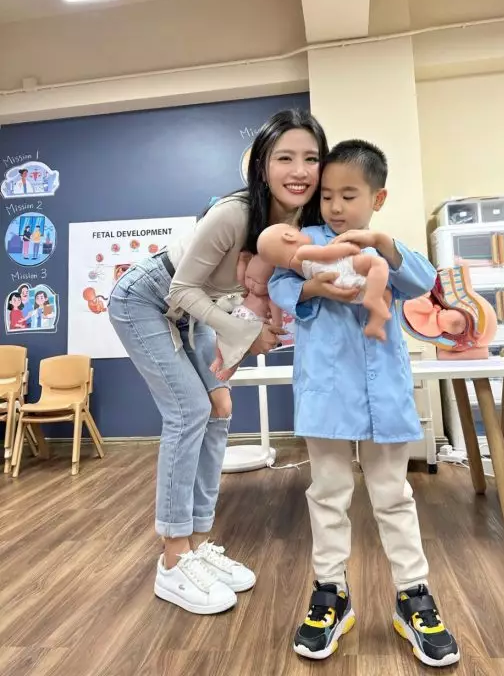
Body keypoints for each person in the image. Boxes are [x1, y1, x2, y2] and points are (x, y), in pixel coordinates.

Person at [108, 108, 341, 616]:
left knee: (219, 410)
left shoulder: (299, 223)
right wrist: (245, 334)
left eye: (311, 158)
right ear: (262, 166)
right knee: (188, 411)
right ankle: (173, 559)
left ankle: (196, 544)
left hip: (195, 313)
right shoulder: (235, 213)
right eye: (285, 158)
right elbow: (181, 289)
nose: (299, 171)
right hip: (146, 299)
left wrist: (253, 333)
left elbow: (253, 295)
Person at [268, 139, 460, 668]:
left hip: (383, 394)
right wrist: (315, 290)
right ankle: (331, 592)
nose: (334, 206)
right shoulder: (305, 241)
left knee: (393, 495)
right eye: (327, 195)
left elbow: (424, 282)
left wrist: (383, 243)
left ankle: (413, 595)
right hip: (327, 394)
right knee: (328, 493)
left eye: (348, 195)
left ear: (378, 198)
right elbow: (280, 283)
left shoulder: (386, 250)